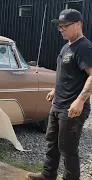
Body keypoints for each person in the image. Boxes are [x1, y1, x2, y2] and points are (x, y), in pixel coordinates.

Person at [26, 9, 92, 180]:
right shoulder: (66, 46)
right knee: (52, 143)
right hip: (58, 104)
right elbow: (68, 73)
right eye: (60, 27)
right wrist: (56, 90)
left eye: (65, 26)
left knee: (68, 149)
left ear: (78, 24)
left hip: (72, 108)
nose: (61, 29)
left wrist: (79, 101)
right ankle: (48, 175)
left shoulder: (84, 47)